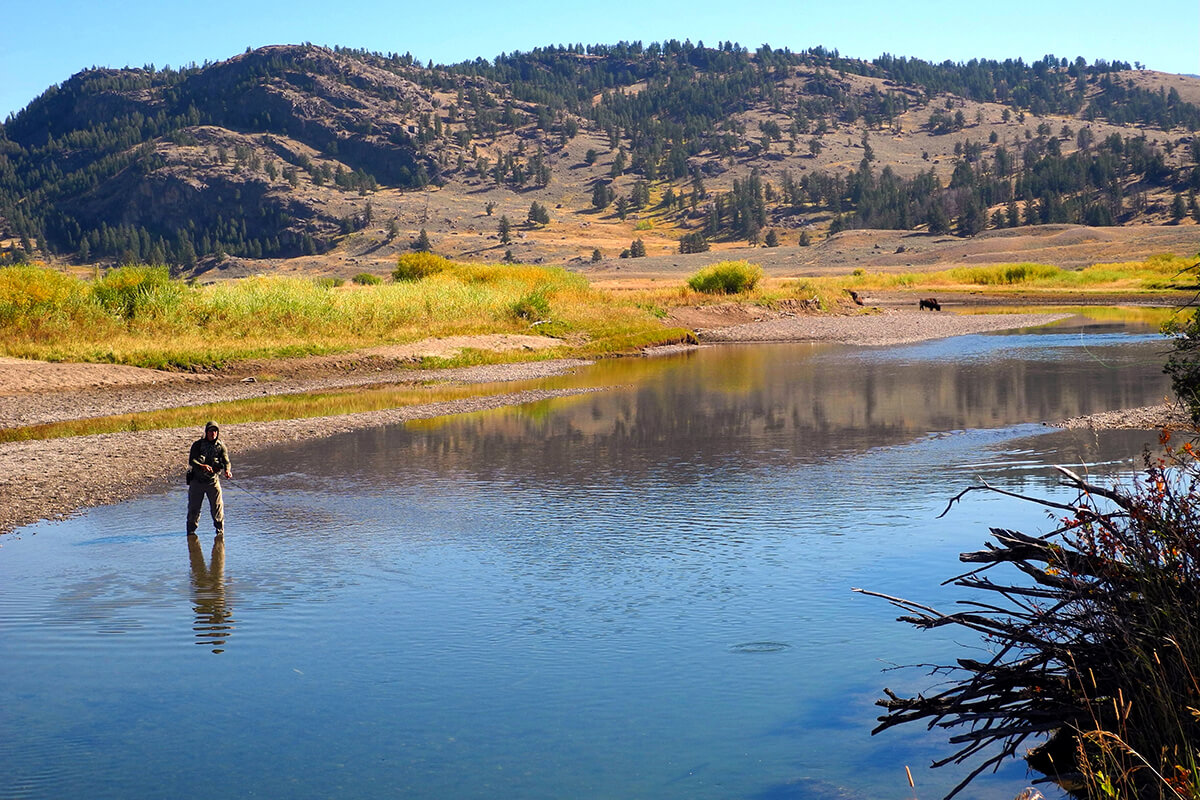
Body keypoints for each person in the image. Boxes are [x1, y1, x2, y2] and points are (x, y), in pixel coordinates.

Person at [187, 421, 232, 538]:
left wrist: (227, 471)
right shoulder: (197, 445)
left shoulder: (221, 446)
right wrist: (202, 466)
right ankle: (191, 532)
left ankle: (219, 533)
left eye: (215, 431)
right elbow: (191, 461)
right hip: (197, 482)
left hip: (213, 482)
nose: (213, 433)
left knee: (217, 508)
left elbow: (226, 462)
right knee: (194, 509)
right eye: (211, 431)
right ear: (206, 432)